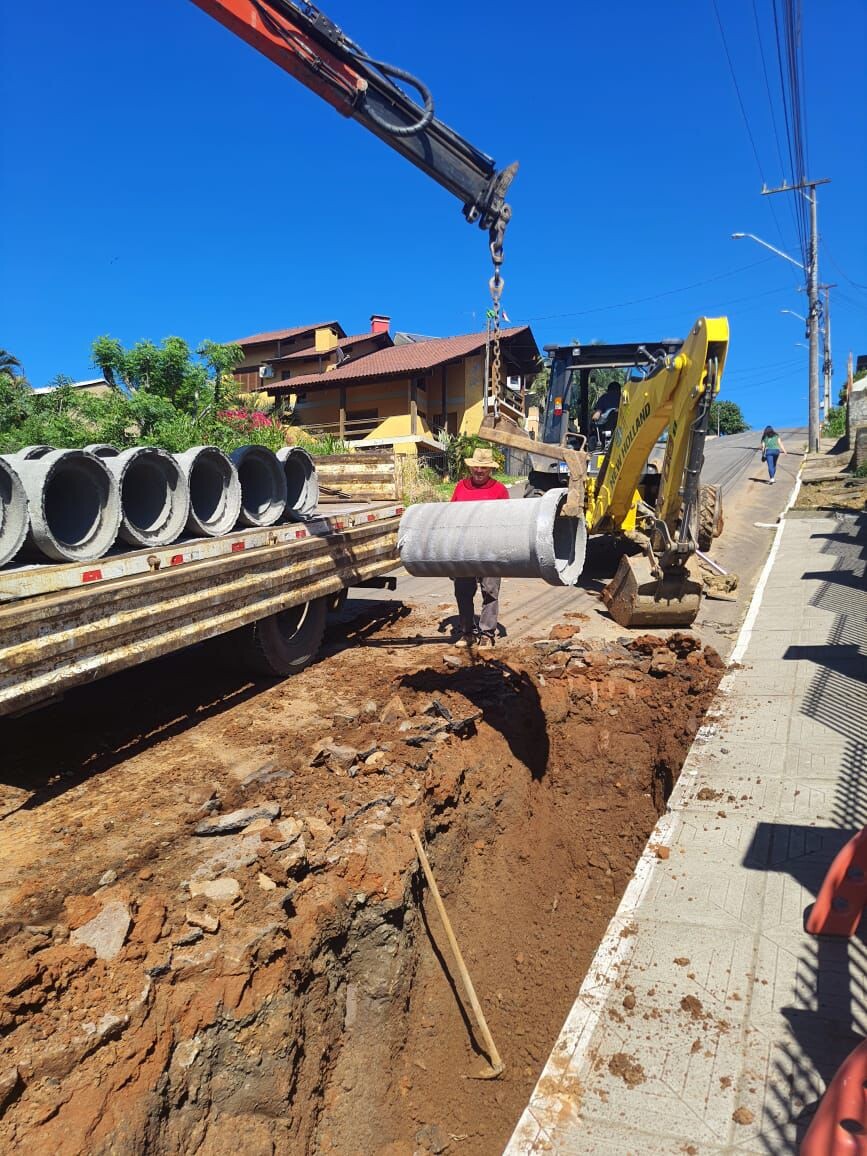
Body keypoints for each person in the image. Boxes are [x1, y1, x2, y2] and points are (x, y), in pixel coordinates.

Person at [450, 447, 509, 648]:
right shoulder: (460, 487)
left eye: (484, 467)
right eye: (476, 467)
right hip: (465, 548)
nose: (479, 471)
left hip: (490, 548)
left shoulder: (499, 489)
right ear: (471, 467)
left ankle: (487, 633)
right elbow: (451, 516)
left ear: (490, 469)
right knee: (463, 591)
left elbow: (507, 521)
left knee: (490, 591)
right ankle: (467, 632)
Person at [590, 380, 622, 449]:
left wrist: (593, 419)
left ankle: (606, 443)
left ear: (608, 389)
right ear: (619, 390)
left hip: (606, 426)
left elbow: (597, 414)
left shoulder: (604, 397)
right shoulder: (623, 397)